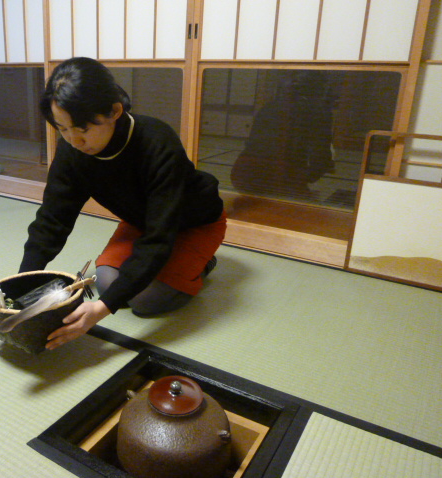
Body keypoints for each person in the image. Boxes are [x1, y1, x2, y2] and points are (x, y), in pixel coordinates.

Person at [19, 57, 226, 350]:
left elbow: (158, 238)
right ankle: (171, 269)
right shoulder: (72, 151)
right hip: (141, 221)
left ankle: (204, 264)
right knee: (106, 282)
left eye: (82, 128)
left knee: (145, 300)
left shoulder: (157, 142)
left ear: (115, 111)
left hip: (194, 223)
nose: (73, 140)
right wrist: (25, 280)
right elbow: (53, 218)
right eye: (62, 129)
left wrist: (101, 310)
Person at [230, 71, 335, 199]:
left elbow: (252, 143)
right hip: (280, 176)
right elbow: (320, 156)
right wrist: (306, 179)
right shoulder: (318, 114)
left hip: (242, 172)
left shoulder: (269, 107)